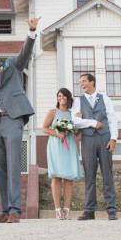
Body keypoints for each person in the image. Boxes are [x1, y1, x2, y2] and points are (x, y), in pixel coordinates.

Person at [0, 16, 41, 223]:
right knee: (0, 169)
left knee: (14, 165)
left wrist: (32, 32)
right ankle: (5, 210)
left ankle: (16, 210)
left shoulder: (12, 66)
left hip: (13, 120)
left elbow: (25, 52)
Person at [71, 73, 119, 221]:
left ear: (92, 82)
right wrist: (91, 122)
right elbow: (74, 121)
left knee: (107, 175)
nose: (81, 84)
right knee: (89, 176)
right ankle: (89, 210)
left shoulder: (105, 99)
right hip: (88, 140)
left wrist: (114, 139)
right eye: (80, 82)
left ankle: (111, 209)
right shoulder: (78, 101)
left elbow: (112, 119)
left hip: (105, 138)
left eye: (84, 81)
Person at [42, 88, 83, 220]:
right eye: (59, 96)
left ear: (68, 98)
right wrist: (57, 133)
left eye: (64, 96)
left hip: (69, 146)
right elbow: (44, 128)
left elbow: (77, 133)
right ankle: (58, 210)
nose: (61, 98)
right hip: (55, 145)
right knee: (56, 177)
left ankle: (67, 209)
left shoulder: (72, 114)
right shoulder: (52, 112)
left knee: (69, 178)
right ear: (57, 98)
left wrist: (79, 121)